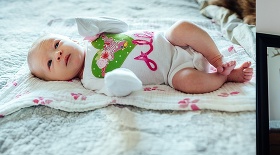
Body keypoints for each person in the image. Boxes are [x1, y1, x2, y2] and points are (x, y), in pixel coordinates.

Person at [26, 17, 253, 96]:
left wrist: (94, 25)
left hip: (169, 40)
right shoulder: (89, 79)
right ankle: (225, 76)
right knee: (186, 83)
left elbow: (121, 26)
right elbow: (113, 88)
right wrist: (120, 81)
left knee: (181, 27)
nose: (57, 54)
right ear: (58, 80)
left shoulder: (94, 37)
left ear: (73, 40)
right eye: (50, 62)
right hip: (172, 71)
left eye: (57, 45)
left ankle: (217, 60)